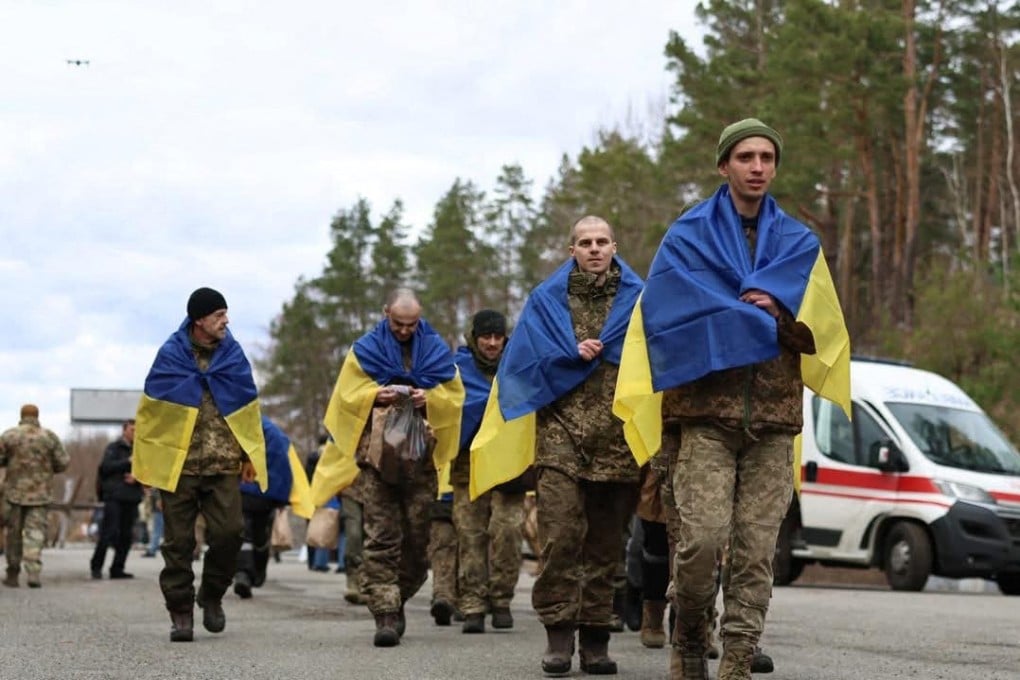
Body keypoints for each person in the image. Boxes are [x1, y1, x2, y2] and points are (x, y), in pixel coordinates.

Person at [613, 118, 850, 679]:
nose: (758, 167)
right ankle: (691, 638)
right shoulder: (688, 236)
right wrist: (740, 310)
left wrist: (781, 310)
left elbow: (821, 330)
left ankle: (738, 662)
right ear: (725, 166)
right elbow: (664, 319)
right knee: (699, 544)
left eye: (767, 157)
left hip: (773, 418)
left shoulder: (797, 243)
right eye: (746, 157)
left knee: (754, 555)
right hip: (703, 418)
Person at [471, 217, 644, 675]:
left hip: (617, 440)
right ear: (572, 250)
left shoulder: (640, 300)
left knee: (606, 546)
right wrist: (569, 353)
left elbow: (655, 356)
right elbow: (522, 364)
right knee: (561, 538)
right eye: (585, 243)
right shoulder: (547, 301)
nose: (593, 249)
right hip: (559, 438)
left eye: (601, 242)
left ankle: (596, 640)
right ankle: (558, 634)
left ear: (614, 246)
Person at [310, 288, 464, 648]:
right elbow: (344, 397)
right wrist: (373, 395)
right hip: (377, 459)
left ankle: (399, 596)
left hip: (421, 461)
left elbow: (455, 397)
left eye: (412, 324)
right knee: (381, 536)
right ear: (385, 314)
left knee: (416, 539)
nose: (405, 331)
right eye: (398, 324)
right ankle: (385, 612)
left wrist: (432, 398)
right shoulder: (365, 350)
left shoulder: (436, 349)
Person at [132, 287, 268, 642]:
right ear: (199, 321)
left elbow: (248, 407)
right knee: (177, 543)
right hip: (179, 465)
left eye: (226, 314)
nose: (226, 321)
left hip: (223, 464)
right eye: (219, 315)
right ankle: (180, 612)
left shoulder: (233, 356)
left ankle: (210, 595)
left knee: (229, 534)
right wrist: (147, 463)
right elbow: (153, 413)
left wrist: (250, 454)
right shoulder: (171, 356)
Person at [450, 309, 525, 634]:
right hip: (468, 463)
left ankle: (502, 598)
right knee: (469, 533)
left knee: (508, 531)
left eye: (498, 337)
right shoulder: (456, 369)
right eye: (486, 337)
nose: (492, 343)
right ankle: (472, 603)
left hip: (508, 462)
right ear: (474, 337)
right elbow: (449, 405)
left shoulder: (518, 364)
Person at [234, 416, 313, 599]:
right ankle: (257, 573)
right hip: (266, 493)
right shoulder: (273, 432)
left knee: (244, 532)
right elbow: (283, 463)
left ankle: (243, 573)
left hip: (244, 489)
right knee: (261, 534)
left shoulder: (239, 425)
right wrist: (281, 497)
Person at [0, 404, 70, 588]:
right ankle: (33, 573)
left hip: (13, 493)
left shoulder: (9, 435)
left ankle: (13, 573)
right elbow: (63, 463)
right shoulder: (48, 437)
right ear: (37, 416)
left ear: (21, 415)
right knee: (36, 532)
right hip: (40, 494)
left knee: (13, 533)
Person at [90, 419, 143, 579]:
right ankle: (96, 566)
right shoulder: (114, 448)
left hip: (131, 496)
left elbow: (149, 473)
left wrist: (137, 478)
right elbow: (105, 467)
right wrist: (127, 462)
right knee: (109, 532)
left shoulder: (141, 450)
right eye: (132, 430)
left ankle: (117, 568)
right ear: (125, 431)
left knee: (127, 535)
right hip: (114, 496)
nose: (135, 433)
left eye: (137, 430)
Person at [143, 487, 164, 557]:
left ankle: (152, 549)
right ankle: (152, 548)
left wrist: (159, 500)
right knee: (156, 529)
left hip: (160, 508)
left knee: (156, 530)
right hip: (159, 507)